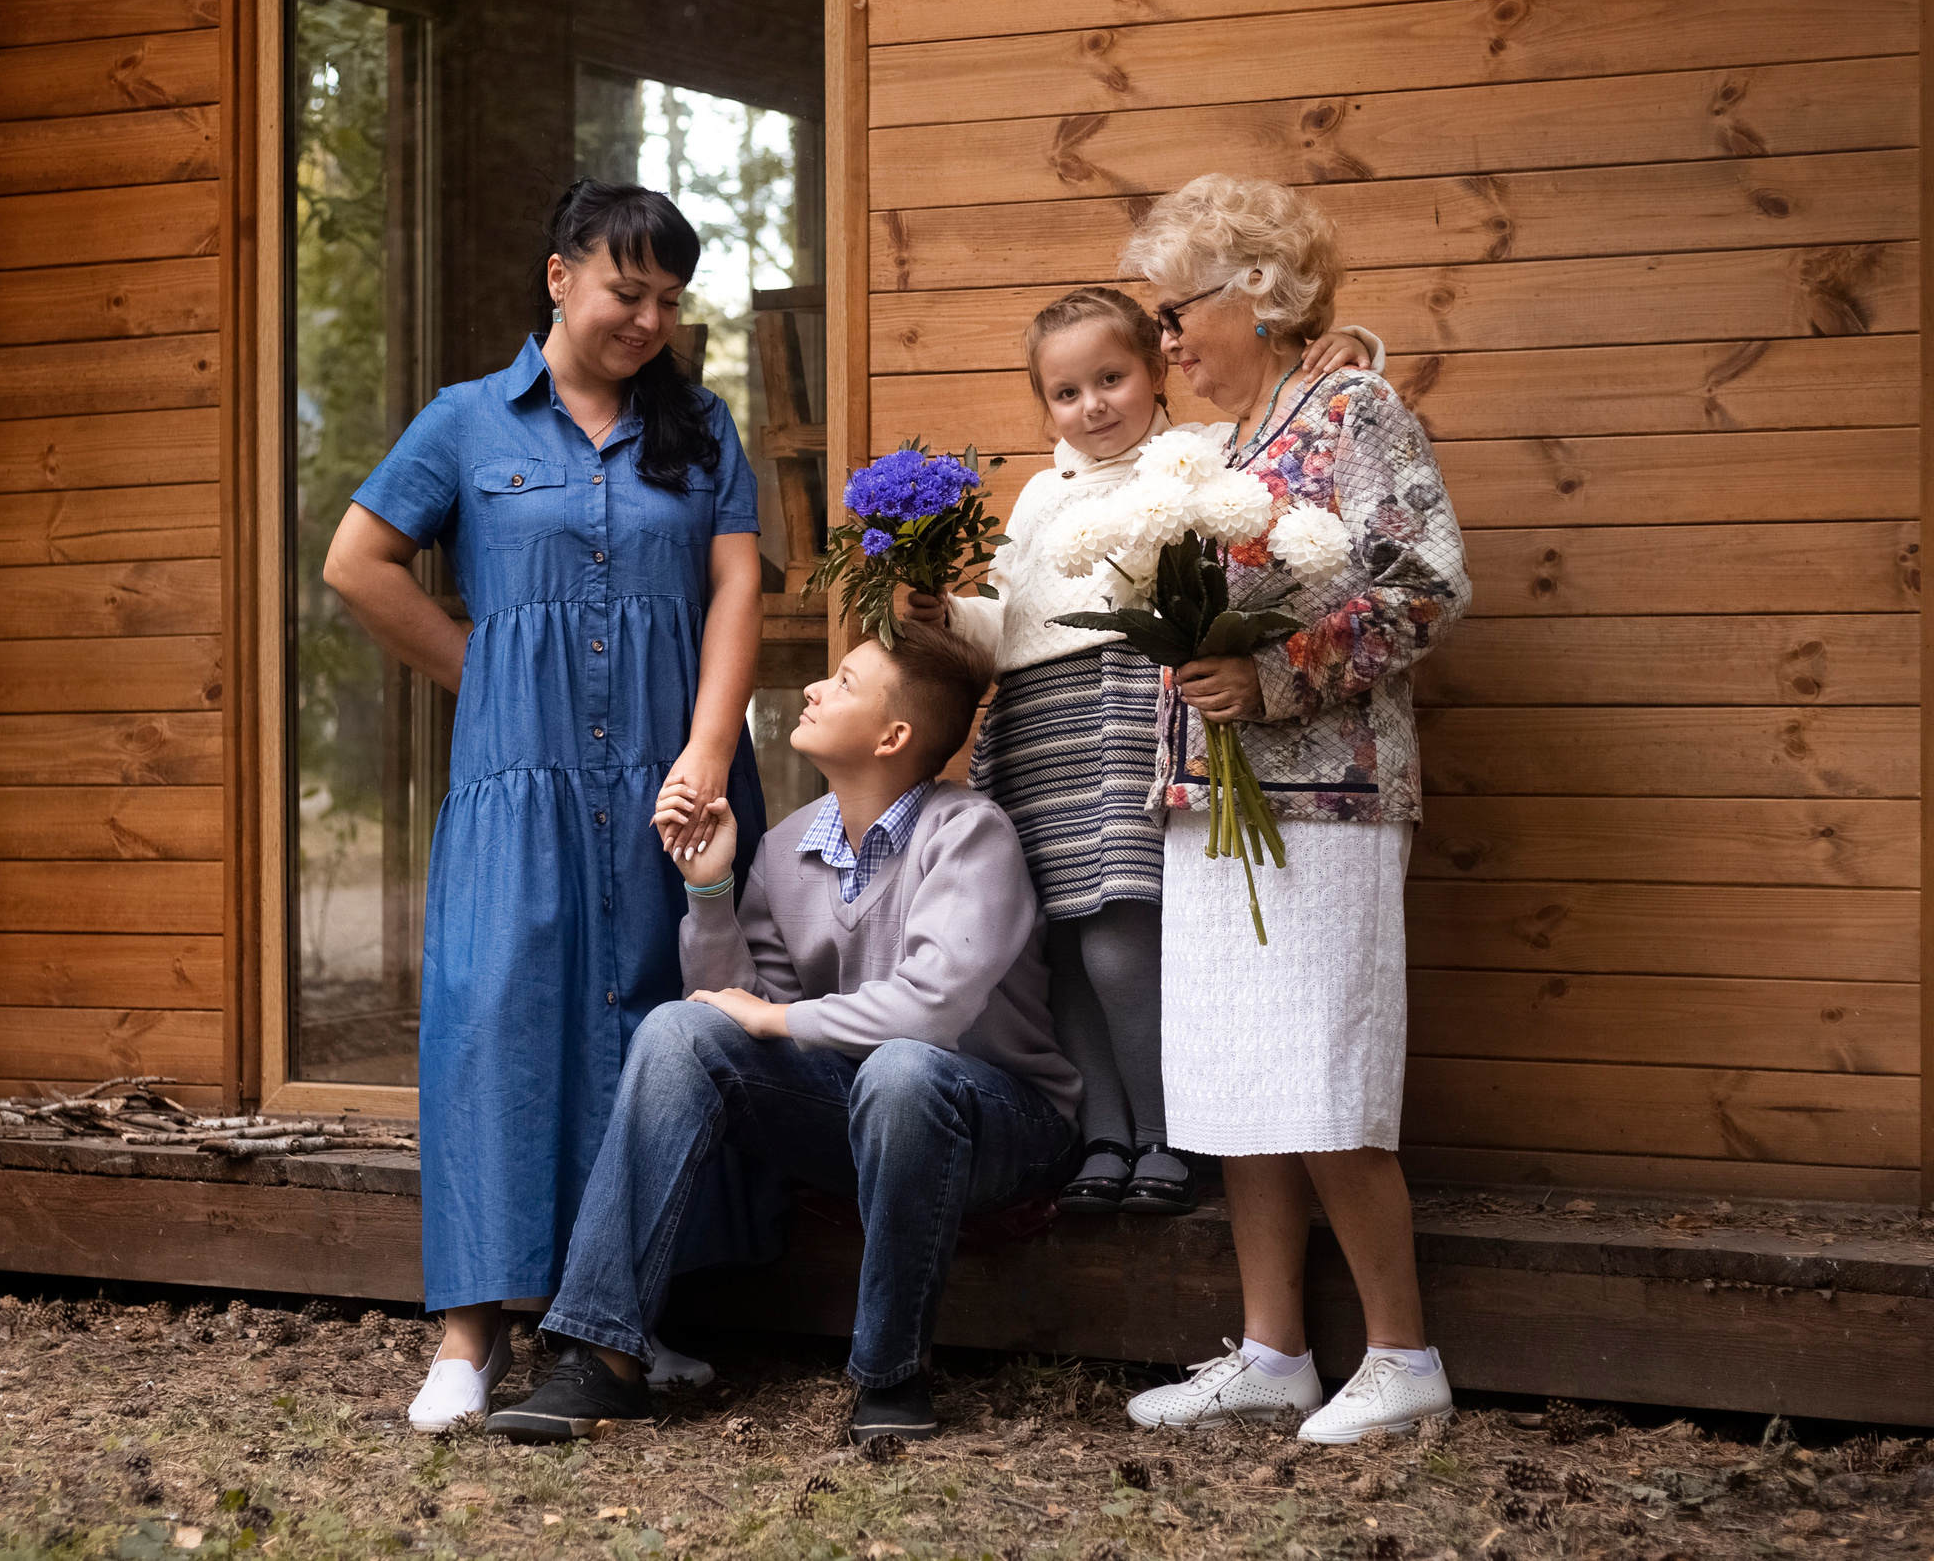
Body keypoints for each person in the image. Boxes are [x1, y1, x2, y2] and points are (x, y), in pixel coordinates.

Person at [322, 181, 766, 1432]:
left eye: (670, 302)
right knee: (495, 1018)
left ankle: (627, 1321)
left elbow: (735, 589)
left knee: (654, 1021)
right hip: (516, 781)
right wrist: (485, 673)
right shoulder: (466, 421)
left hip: (670, 779)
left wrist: (710, 745)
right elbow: (356, 561)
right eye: (629, 291)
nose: (648, 320)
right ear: (560, 276)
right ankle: (468, 1338)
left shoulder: (699, 425)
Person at [483, 621, 1081, 1445]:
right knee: (678, 1028)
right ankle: (600, 1360)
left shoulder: (969, 832)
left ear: (893, 735)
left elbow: (933, 1010)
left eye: (840, 681)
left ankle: (891, 1377)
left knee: (904, 1068)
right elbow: (737, 1018)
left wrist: (776, 1016)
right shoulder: (785, 847)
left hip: (1004, 1126)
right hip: (862, 1115)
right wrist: (711, 890)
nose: (811, 688)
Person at [1115, 174, 1469, 1444]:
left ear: (1255, 296)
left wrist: (1271, 675)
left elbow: (1425, 585)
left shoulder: (1352, 410)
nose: (1161, 340)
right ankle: (1273, 1350)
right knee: (1231, 1085)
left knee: (1323, 1079)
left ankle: (1401, 1351)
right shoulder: (1209, 448)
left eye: (1173, 313)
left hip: (1325, 800)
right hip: (1211, 801)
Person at [901, 290, 1380, 1215]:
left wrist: (1355, 343)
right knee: (1067, 942)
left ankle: (1168, 1130)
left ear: (1158, 371)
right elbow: (1006, 622)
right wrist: (943, 616)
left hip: (1129, 704)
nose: (1092, 406)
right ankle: (1105, 1133)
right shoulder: (1043, 494)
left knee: (1124, 934)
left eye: (1111, 378)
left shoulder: (1194, 456)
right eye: (1066, 392)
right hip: (1037, 719)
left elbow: (1293, 431)